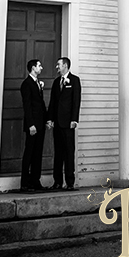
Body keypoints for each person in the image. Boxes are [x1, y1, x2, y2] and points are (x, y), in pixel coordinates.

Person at [47, 56, 81, 190]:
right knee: (58, 153)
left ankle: (70, 182)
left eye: (58, 65)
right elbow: (53, 102)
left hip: (68, 122)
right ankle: (57, 182)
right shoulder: (56, 82)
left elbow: (76, 101)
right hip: (57, 123)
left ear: (65, 66)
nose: (57, 67)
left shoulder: (74, 80)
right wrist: (50, 119)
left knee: (68, 152)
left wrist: (74, 119)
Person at [19, 58, 47, 192]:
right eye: (39, 66)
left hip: (40, 124)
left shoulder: (37, 83)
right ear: (33, 68)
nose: (41, 68)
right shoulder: (27, 84)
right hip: (33, 125)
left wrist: (46, 119)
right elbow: (27, 106)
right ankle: (25, 182)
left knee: (38, 153)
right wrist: (31, 124)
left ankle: (36, 180)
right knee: (29, 153)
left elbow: (40, 105)